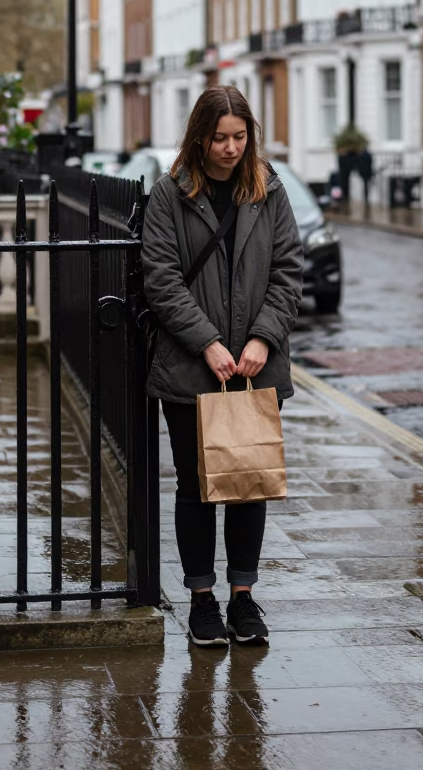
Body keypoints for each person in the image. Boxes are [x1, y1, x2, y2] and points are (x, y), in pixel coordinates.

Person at [142, 86, 303, 649]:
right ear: (199, 137)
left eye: (239, 137)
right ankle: (201, 600)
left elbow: (288, 268)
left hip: (257, 367)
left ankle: (242, 597)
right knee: (196, 486)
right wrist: (208, 343)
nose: (230, 149)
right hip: (193, 369)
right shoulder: (170, 194)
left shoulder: (268, 188)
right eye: (219, 138)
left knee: (248, 483)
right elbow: (160, 279)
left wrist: (263, 337)